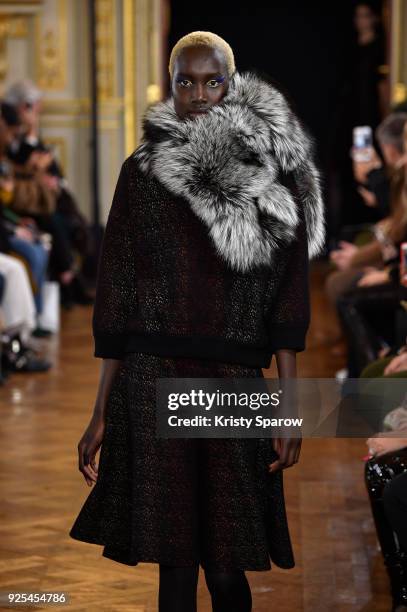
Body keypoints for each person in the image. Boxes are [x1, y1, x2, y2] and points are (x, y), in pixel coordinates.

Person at [69, 31, 325, 611]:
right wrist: (100, 410)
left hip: (234, 384)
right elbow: (117, 291)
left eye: (213, 81)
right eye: (187, 81)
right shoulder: (141, 174)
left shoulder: (272, 179)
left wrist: (287, 411)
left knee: (227, 567)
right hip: (152, 376)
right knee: (175, 568)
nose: (200, 94)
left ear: (232, 87)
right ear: (171, 86)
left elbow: (287, 302)